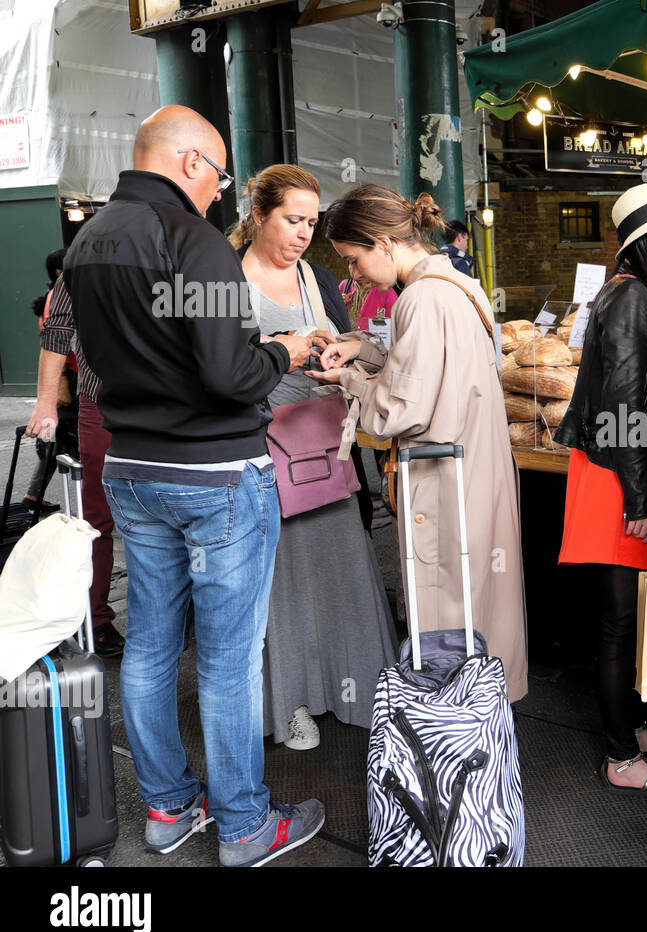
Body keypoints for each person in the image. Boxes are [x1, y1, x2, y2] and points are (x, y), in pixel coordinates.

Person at [63, 104, 324, 866]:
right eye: (217, 176)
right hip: (213, 474)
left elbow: (91, 356)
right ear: (188, 164)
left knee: (146, 648)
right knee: (227, 657)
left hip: (133, 470)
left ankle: (168, 811)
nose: (218, 193)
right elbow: (229, 374)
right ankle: (244, 825)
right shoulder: (192, 240)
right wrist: (280, 352)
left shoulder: (86, 243)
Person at [312, 184, 528, 703]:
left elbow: (397, 411)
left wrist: (347, 381)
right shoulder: (457, 282)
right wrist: (363, 347)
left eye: (356, 260)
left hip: (443, 477)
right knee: (482, 602)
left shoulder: (421, 298)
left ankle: (454, 728)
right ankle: (487, 713)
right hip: (477, 465)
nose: (354, 275)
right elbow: (431, 372)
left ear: (384, 243)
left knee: (449, 609)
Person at [228, 164, 398, 750]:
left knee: (343, 568)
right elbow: (218, 376)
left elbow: (354, 354)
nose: (304, 232)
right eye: (292, 220)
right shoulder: (225, 283)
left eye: (311, 221)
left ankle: (355, 689)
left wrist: (338, 357)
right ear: (258, 217)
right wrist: (280, 356)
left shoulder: (320, 282)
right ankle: (294, 702)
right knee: (282, 583)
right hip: (262, 456)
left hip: (328, 451)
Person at [552, 182, 647, 795]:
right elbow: (620, 409)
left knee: (628, 617)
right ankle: (619, 758)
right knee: (617, 621)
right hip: (619, 477)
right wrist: (641, 500)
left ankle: (630, 727)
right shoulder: (633, 298)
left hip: (624, 470)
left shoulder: (640, 294)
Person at [24, 274, 124, 656]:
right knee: (97, 517)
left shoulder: (175, 247)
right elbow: (56, 329)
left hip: (165, 404)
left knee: (169, 509)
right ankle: (96, 619)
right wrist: (47, 400)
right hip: (101, 401)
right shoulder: (87, 260)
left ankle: (176, 609)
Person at [22, 249, 79, 516]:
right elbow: (56, 343)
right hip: (67, 375)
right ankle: (34, 494)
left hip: (69, 374)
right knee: (61, 436)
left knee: (60, 437)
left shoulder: (54, 297)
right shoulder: (57, 299)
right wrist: (61, 384)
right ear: (59, 271)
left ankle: (34, 494)